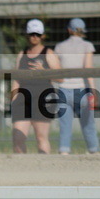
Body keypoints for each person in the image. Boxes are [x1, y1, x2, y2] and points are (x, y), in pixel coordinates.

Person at [10, 19, 61, 154]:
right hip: (23, 100)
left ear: (43, 36)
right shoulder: (22, 54)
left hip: (43, 99)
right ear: (27, 35)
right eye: (32, 34)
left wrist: (44, 70)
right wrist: (13, 98)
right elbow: (17, 79)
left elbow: (60, 77)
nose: (34, 37)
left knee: (41, 137)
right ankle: (22, 169)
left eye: (37, 34)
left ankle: (44, 170)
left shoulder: (48, 53)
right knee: (18, 138)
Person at [54, 18, 100, 154]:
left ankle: (64, 151)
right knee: (88, 125)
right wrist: (93, 91)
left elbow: (57, 71)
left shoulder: (59, 47)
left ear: (69, 30)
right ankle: (94, 151)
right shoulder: (87, 46)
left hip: (63, 89)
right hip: (82, 90)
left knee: (65, 126)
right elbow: (88, 69)